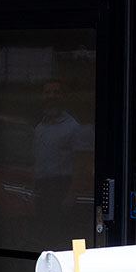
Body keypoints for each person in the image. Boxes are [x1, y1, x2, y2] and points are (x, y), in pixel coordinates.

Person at [32, 80, 92, 245]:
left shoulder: (74, 128)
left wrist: (71, 194)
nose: (52, 96)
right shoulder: (40, 127)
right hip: (43, 191)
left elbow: (83, 165)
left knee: (66, 241)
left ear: (64, 97)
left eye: (56, 92)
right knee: (44, 239)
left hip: (63, 191)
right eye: (47, 92)